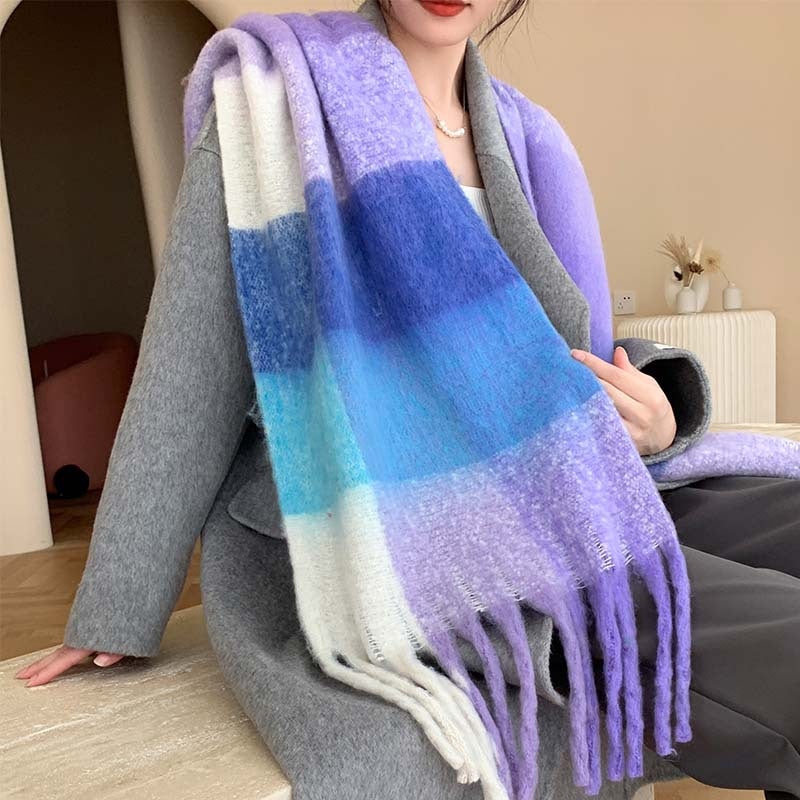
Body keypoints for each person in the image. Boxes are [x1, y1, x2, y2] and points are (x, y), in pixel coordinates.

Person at [15, 1, 800, 798]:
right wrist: (117, 604)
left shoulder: (528, 138)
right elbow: (189, 372)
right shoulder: (272, 114)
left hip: (556, 477)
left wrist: (661, 410)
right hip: (402, 526)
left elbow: (580, 355)